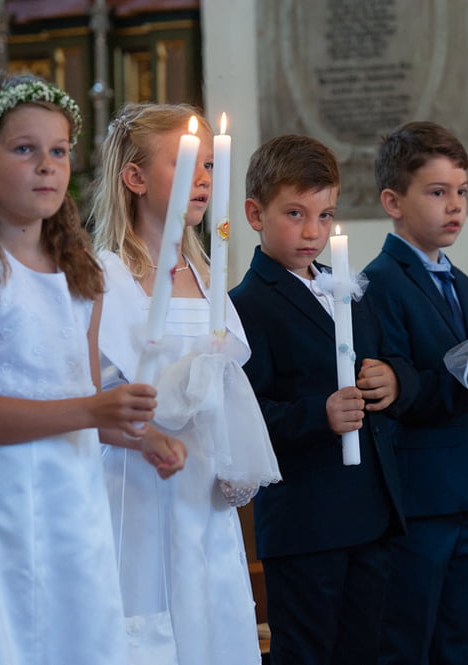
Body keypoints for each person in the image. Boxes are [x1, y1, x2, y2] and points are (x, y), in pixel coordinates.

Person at [0, 72, 165, 665]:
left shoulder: (81, 273)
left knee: (78, 641)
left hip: (74, 496)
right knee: (12, 641)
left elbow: (84, 399)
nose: (47, 165)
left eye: (60, 150)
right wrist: (94, 409)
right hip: (2, 500)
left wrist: (143, 436)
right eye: (25, 149)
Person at [90, 102, 280, 665]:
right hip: (136, 486)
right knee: (148, 629)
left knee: (210, 626)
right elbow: (90, 399)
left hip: (202, 492)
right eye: (186, 163)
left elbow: (227, 385)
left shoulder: (206, 276)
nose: (204, 179)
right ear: (134, 177)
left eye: (210, 166)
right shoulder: (105, 277)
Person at [229, 134, 418, 665]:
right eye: (295, 213)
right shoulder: (247, 305)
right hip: (306, 521)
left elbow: (391, 357)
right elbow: (247, 415)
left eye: (325, 215)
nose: (313, 231)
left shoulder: (349, 288)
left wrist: (392, 378)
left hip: (371, 511)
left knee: (365, 650)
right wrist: (321, 414)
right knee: (308, 652)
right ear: (255, 214)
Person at [362, 121, 468, 665]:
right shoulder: (380, 283)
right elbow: (400, 393)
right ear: (393, 202)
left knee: (459, 643)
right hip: (422, 500)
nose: (454, 206)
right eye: (436, 192)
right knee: (409, 642)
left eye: (462, 192)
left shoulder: (463, 283)